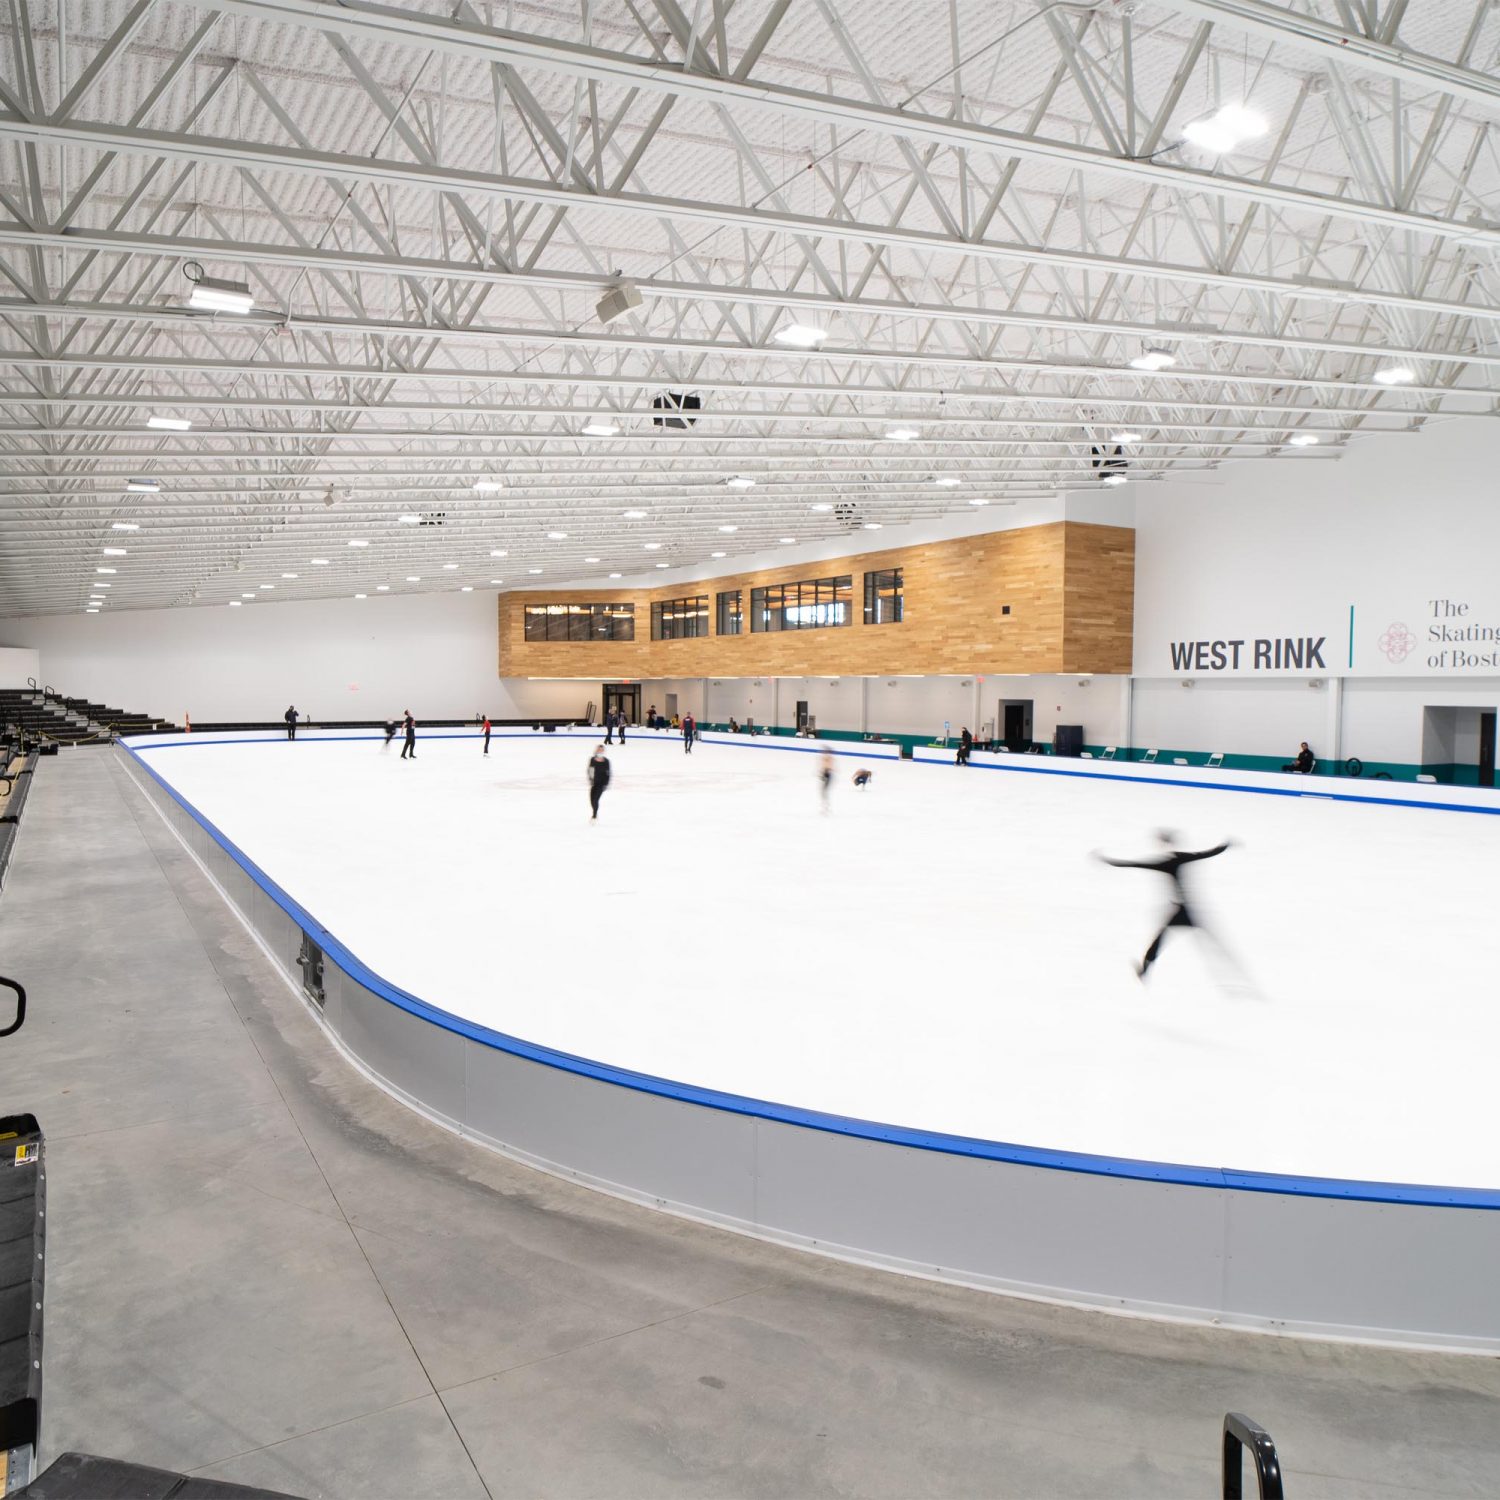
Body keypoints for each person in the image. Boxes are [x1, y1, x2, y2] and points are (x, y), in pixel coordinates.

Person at [1097, 831, 1232, 980]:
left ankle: (1145, 970)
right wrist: (1224, 846)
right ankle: (1228, 974)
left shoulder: (1163, 863)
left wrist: (1110, 861)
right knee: (1208, 942)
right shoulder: (1182, 858)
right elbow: (1207, 853)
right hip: (1186, 911)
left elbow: (1135, 864)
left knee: (1158, 943)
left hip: (1179, 911)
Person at [587, 744, 611, 820]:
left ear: (603, 751)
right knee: (591, 800)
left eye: (601, 750)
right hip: (594, 783)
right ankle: (595, 812)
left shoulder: (606, 761)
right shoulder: (592, 759)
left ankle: (594, 816)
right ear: (596, 750)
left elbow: (608, 773)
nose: (600, 751)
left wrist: (606, 784)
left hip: (601, 784)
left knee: (595, 800)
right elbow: (590, 770)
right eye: (599, 749)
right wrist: (590, 779)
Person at [819, 747, 834, 813]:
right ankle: (825, 806)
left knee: (824, 791)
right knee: (823, 791)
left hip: (827, 774)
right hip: (825, 774)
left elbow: (828, 766)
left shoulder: (829, 758)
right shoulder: (826, 758)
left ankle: (826, 806)